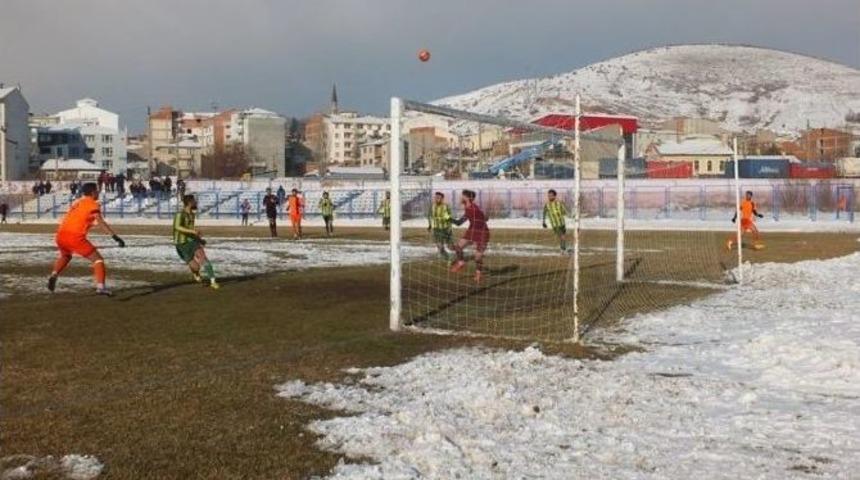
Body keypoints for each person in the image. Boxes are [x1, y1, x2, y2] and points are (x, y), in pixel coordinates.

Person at [48, 182, 125, 296]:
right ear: (93, 192)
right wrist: (115, 237)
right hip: (74, 237)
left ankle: (54, 274)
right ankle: (101, 287)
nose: (98, 192)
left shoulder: (77, 203)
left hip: (60, 235)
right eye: (97, 190)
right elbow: (101, 222)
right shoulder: (92, 204)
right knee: (98, 260)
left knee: (66, 256)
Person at [173, 194, 220, 289]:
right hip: (181, 244)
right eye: (194, 200)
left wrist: (199, 239)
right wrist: (193, 231)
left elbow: (191, 230)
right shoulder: (179, 214)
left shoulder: (192, 214)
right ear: (189, 202)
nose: (196, 202)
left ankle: (213, 281)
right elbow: (177, 227)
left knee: (204, 258)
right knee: (196, 267)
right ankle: (196, 273)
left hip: (192, 241)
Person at [450, 189, 490, 283]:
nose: (461, 197)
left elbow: (483, 218)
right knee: (458, 247)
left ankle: (478, 273)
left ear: (468, 198)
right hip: (472, 231)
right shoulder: (468, 207)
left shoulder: (473, 208)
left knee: (477, 257)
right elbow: (459, 222)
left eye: (462, 196)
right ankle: (461, 262)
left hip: (482, 233)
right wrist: (448, 219)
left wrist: (484, 218)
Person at [428, 191, 454, 261]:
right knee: (440, 246)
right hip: (437, 229)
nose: (436, 199)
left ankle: (459, 253)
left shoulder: (446, 206)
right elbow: (429, 215)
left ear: (442, 199)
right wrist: (430, 225)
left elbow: (450, 217)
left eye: (438, 198)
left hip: (446, 228)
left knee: (450, 247)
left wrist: (450, 227)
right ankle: (447, 258)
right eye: (436, 197)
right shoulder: (432, 206)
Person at [542, 189, 569, 253]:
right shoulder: (547, 204)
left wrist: (571, 215)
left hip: (562, 223)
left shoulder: (559, 203)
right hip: (555, 224)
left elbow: (564, 212)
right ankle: (563, 249)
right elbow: (544, 212)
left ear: (554, 196)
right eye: (548, 196)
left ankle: (562, 248)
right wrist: (543, 222)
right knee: (562, 236)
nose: (549, 197)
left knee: (563, 237)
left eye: (551, 196)